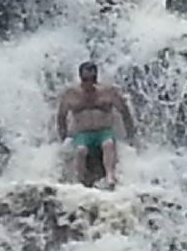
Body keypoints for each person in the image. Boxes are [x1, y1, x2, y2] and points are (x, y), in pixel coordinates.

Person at [55, 61, 136, 189]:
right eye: (85, 79)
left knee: (108, 144)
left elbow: (124, 113)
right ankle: (80, 181)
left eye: (92, 79)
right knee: (81, 150)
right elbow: (61, 117)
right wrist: (63, 138)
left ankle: (110, 177)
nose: (89, 83)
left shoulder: (108, 92)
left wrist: (131, 136)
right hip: (82, 134)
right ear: (80, 77)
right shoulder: (71, 94)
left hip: (103, 132)